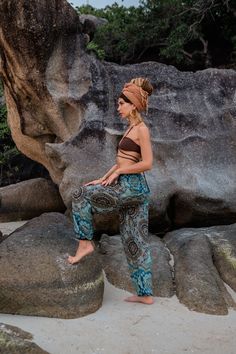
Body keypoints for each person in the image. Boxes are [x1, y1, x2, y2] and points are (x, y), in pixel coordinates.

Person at [68, 77, 154, 305]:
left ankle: (85, 243)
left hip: (132, 188)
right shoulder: (131, 128)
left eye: (121, 104)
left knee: (79, 195)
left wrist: (119, 175)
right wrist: (104, 177)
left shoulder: (141, 130)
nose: (118, 108)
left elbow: (147, 163)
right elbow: (121, 161)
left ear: (133, 105)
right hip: (132, 190)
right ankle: (145, 295)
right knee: (133, 240)